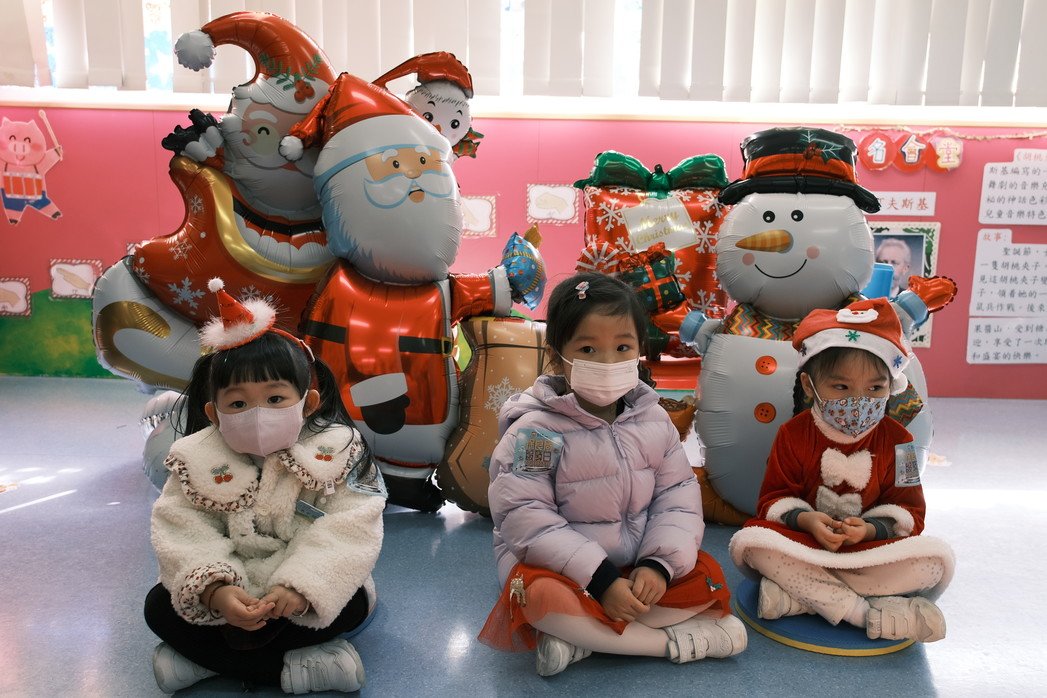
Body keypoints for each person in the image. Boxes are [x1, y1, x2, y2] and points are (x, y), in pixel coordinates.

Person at [478, 272, 746, 676]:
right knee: (539, 597)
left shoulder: (654, 420)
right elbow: (526, 518)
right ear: (558, 357)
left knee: (707, 573)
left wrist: (658, 565)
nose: (608, 362)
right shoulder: (537, 432)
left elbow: (677, 498)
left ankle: (583, 639)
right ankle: (669, 644)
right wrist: (601, 580)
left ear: (640, 350)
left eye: (623, 347)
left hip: (638, 564)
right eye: (588, 349)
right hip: (565, 570)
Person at [143, 279, 386, 694]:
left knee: (352, 603)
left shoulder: (337, 450)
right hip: (230, 588)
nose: (257, 413)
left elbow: (351, 528)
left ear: (308, 403)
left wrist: (300, 587)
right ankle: (300, 667)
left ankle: (206, 662)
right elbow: (181, 529)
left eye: (275, 399)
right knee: (159, 607)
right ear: (214, 414)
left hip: (295, 594)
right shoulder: (195, 457)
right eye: (237, 404)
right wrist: (215, 592)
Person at [729, 298, 955, 643]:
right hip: (804, 548)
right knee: (751, 544)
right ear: (809, 386)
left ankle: (801, 598)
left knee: (936, 562)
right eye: (841, 387)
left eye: (875, 388)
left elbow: (912, 513)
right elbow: (773, 500)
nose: (859, 401)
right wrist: (806, 520)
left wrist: (870, 529)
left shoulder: (903, 443)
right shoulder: (791, 434)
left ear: (891, 386)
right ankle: (866, 613)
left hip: (870, 553)